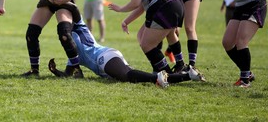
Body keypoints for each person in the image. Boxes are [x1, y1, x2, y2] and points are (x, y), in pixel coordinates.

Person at [48, 17, 206, 88]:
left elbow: (74, 11)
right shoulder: (72, 54)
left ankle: (158, 77)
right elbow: (73, 74)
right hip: (107, 63)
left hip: (105, 57)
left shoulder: (78, 28)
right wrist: (55, 71)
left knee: (128, 76)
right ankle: (188, 75)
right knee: (133, 77)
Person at [108, 0, 185, 75]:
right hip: (176, 3)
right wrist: (126, 21)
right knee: (148, 34)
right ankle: (180, 65)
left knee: (146, 44)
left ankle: (165, 72)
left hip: (164, 5)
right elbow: (141, 7)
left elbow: (135, 2)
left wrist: (120, 9)